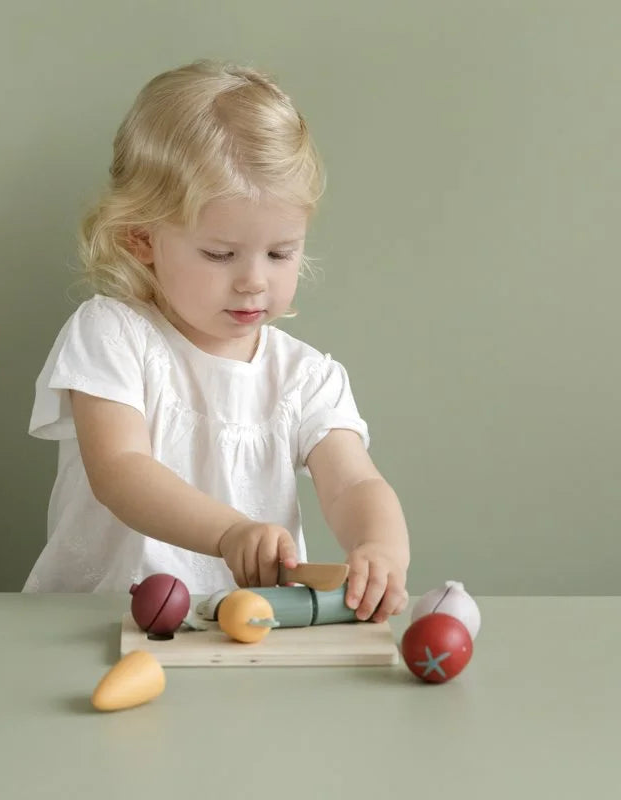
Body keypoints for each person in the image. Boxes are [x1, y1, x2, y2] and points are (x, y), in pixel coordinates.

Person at [23, 59, 410, 623]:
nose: (254, 280)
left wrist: (381, 549)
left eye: (280, 253)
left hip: (242, 635)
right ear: (141, 239)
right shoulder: (112, 334)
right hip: (95, 624)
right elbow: (121, 468)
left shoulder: (304, 377)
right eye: (220, 254)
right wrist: (229, 532)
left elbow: (353, 482)